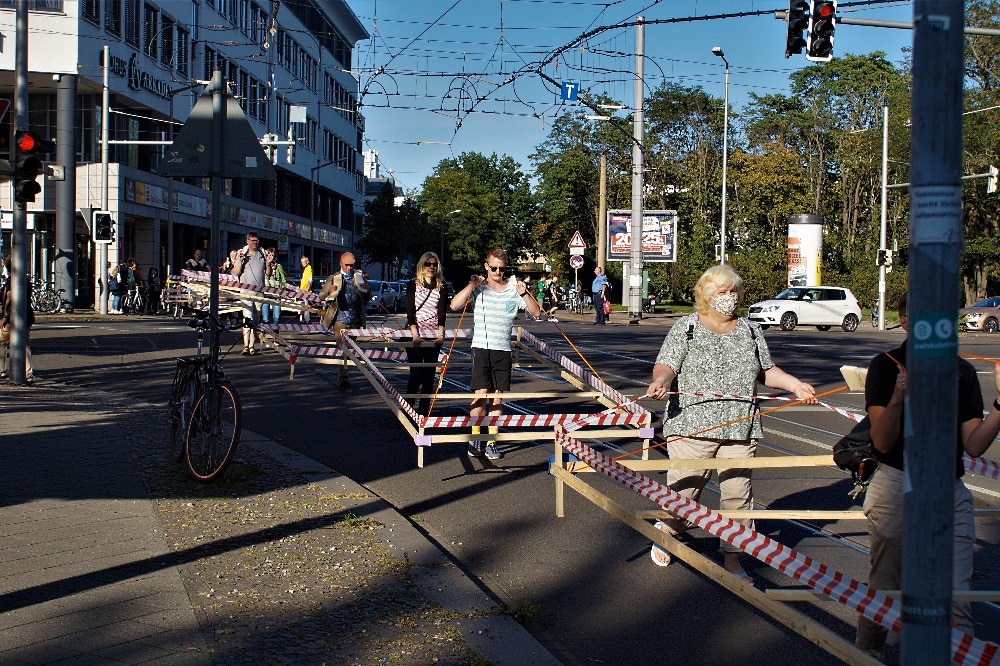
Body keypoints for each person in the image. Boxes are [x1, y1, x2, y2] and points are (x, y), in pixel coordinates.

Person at [646, 265, 817, 578]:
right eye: (722, 292)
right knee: (686, 490)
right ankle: (667, 532)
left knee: (738, 496)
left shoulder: (750, 330)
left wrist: (795, 385)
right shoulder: (687, 327)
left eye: (733, 291)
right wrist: (662, 381)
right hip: (691, 425)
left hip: (740, 427)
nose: (729, 297)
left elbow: (766, 371)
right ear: (707, 296)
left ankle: (732, 558)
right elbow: (667, 364)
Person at [855, 292, 1000, 659]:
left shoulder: (961, 371)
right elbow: (881, 441)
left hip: (949, 492)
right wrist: (898, 398)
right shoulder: (886, 365)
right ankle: (865, 652)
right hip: (895, 486)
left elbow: (975, 445)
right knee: (887, 590)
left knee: (957, 600)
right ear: (905, 322)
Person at [449, 248, 541, 460]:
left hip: (503, 349)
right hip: (482, 346)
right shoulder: (479, 289)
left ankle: (491, 441)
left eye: (501, 268)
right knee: (481, 393)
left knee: (498, 397)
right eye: (493, 268)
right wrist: (471, 284)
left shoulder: (512, 289)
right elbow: (454, 305)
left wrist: (524, 292)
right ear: (486, 267)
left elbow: (536, 312)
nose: (498, 272)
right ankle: (475, 438)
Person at [404, 252, 448, 415]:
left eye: (434, 264)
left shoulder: (441, 286)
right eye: (428, 264)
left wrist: (440, 335)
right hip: (415, 333)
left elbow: (442, 312)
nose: (431, 267)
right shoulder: (412, 285)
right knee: (416, 374)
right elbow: (410, 311)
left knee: (429, 376)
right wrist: (415, 334)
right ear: (421, 266)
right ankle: (408, 410)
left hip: (432, 335)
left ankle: (424, 413)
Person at [318, 252, 371, 389]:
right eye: (347, 265)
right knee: (342, 350)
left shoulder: (358, 278)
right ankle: (343, 377)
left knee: (351, 350)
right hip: (340, 321)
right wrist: (329, 290)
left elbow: (368, 297)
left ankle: (346, 373)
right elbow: (321, 296)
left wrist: (367, 290)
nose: (349, 268)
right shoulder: (334, 278)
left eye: (351, 265)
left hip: (356, 320)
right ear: (341, 264)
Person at [231, 231, 269, 356]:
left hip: (259, 292)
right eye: (253, 241)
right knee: (248, 318)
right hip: (246, 292)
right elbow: (236, 272)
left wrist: (268, 263)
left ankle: (252, 346)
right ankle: (247, 346)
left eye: (257, 240)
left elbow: (268, 273)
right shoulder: (242, 254)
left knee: (256, 320)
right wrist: (240, 261)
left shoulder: (262, 254)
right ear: (247, 241)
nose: (255, 243)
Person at [1, 272, 34, 383]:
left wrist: (5, 317)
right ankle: (28, 373)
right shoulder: (26, 281)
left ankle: (2, 370)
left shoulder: (13, 281)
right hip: (26, 316)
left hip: (14, 317)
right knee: (24, 344)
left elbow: (9, 299)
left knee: (2, 341)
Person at [261, 247, 286, 326]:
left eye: (272, 255)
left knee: (277, 316)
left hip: (276, 294)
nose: (271, 257)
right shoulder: (263, 266)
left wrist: (282, 291)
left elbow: (283, 280)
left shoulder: (279, 266)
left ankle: (275, 333)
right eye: (269, 255)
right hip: (265, 294)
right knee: (265, 317)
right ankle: (265, 334)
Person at [299, 255, 314, 322]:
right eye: (301, 262)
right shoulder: (305, 269)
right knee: (303, 305)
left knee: (306, 305)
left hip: (306, 291)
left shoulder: (309, 268)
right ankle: (304, 318)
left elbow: (310, 280)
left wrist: (307, 290)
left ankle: (307, 320)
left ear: (307, 262)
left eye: (303, 262)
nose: (302, 264)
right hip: (302, 290)